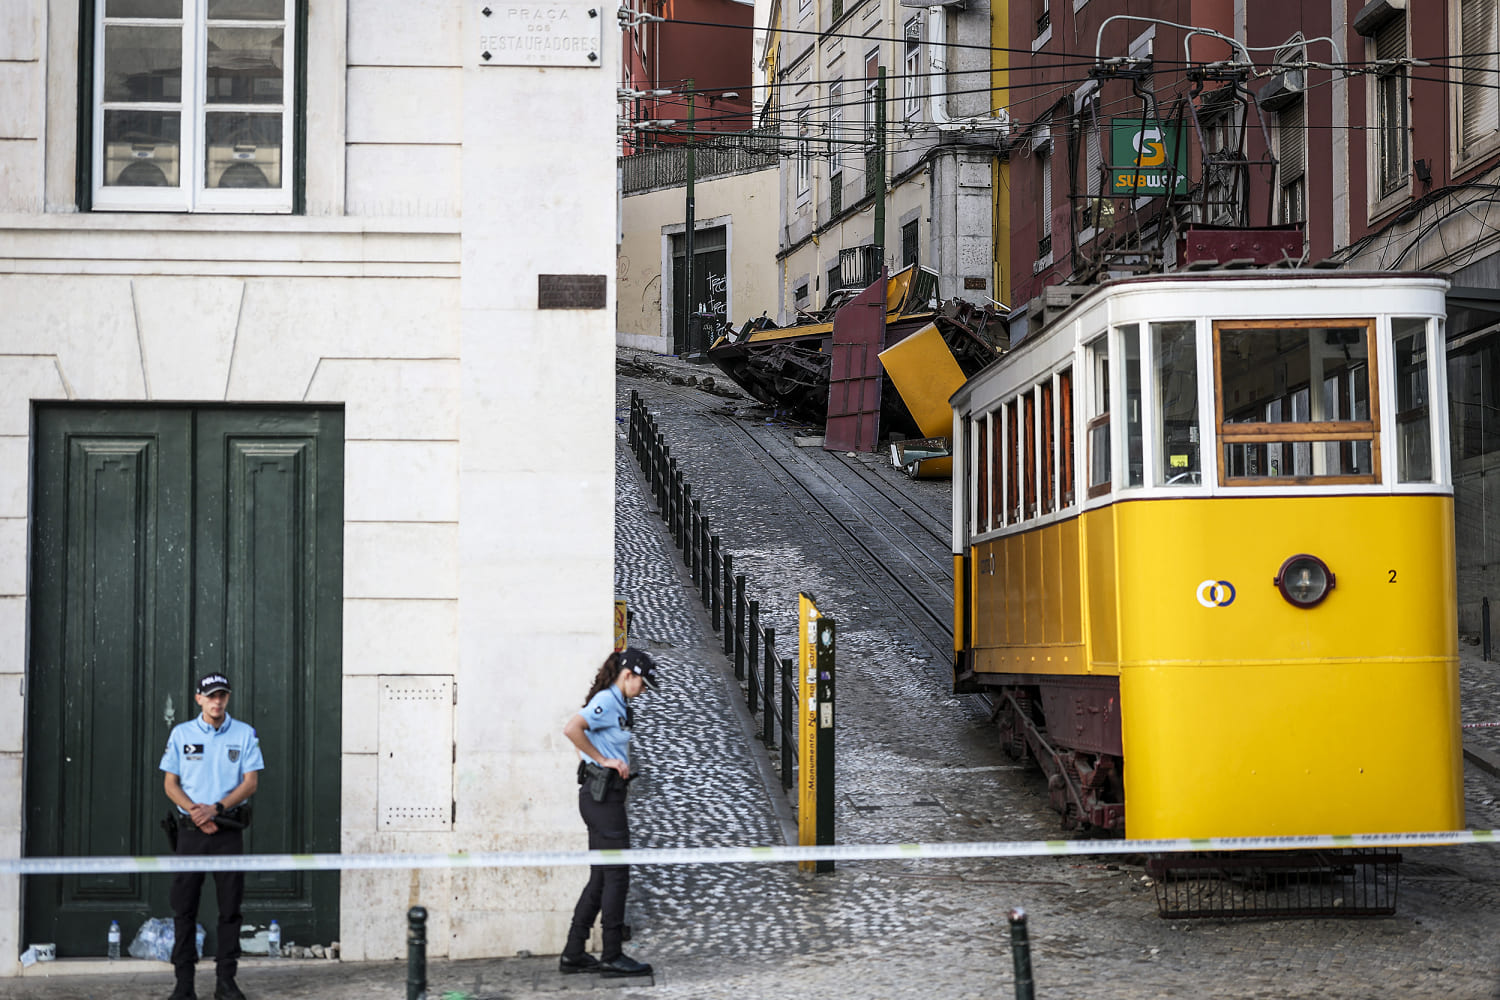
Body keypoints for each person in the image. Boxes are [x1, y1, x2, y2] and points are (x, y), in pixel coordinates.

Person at [160, 673, 264, 1000]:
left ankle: (226, 982)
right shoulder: (182, 734)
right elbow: (170, 784)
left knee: (230, 908)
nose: (217, 702)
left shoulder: (244, 733)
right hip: (191, 833)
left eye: (222, 696)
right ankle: (184, 983)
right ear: (198, 699)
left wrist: (215, 809)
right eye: (211, 696)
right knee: (184, 909)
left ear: (228, 698)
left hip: (227, 832)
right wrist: (196, 812)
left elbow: (250, 783)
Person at [558, 648, 659, 978]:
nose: (644, 690)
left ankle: (574, 952)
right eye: (642, 684)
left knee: (601, 877)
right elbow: (573, 728)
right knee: (617, 874)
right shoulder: (607, 700)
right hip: (602, 800)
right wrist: (601, 761)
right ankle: (612, 954)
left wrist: (599, 758)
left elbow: (583, 735)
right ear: (627, 675)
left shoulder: (618, 703)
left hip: (604, 797)